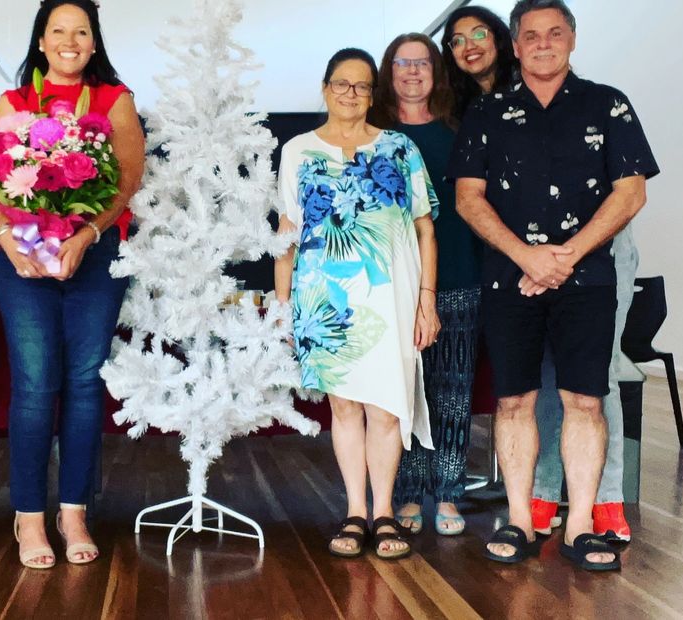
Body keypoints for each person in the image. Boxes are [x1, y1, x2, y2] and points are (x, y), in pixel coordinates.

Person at [450, 0, 657, 571]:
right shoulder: (488, 112)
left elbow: (631, 192)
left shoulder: (608, 104)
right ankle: (520, 520)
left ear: (571, 40)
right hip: (509, 278)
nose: (544, 43)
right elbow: (469, 197)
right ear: (514, 46)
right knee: (514, 400)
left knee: (585, 400)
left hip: (587, 276)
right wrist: (526, 256)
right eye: (531, 35)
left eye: (555, 33)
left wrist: (565, 256)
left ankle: (583, 525)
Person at [0, 0, 144, 568]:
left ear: (94, 43)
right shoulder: (13, 103)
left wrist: (87, 236)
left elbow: (127, 183)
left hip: (94, 257)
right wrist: (12, 243)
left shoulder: (114, 100)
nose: (70, 40)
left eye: (81, 31)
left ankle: (72, 512)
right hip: (23, 255)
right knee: (34, 384)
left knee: (82, 385)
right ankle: (28, 517)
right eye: (59, 30)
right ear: (41, 40)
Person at [274, 48, 439, 561]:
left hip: (391, 294)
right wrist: (285, 311)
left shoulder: (400, 147)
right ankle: (353, 512)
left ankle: (384, 512)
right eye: (342, 84)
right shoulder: (298, 150)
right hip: (324, 299)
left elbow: (424, 227)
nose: (351, 94)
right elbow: (288, 235)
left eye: (362, 86)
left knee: (386, 408)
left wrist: (426, 302)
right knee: (343, 407)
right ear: (325, 88)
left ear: (373, 94)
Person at [373, 33, 479, 538]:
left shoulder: (462, 129)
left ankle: (450, 492)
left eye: (422, 63)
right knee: (402, 394)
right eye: (402, 63)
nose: (413, 71)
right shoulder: (373, 134)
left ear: (436, 72)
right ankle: (408, 493)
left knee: (452, 390)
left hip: (458, 274)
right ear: (388, 72)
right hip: (389, 286)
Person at [440, 5, 517, 120]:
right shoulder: (457, 109)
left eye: (479, 34)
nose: (469, 46)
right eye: (458, 41)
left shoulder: (528, 82)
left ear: (498, 38)